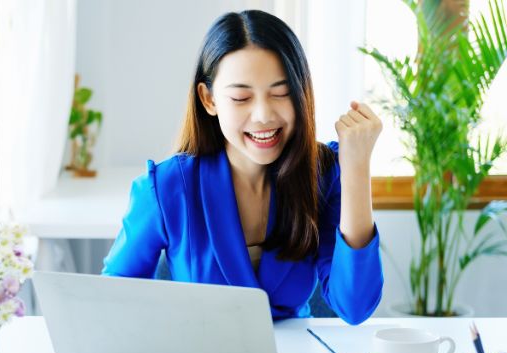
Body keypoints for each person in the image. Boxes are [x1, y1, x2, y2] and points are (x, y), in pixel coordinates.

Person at [101, 10, 384, 325]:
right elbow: (113, 301)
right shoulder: (166, 187)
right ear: (209, 100)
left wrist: (356, 167)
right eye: (240, 98)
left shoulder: (323, 173)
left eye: (281, 93)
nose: (263, 115)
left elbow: (355, 306)